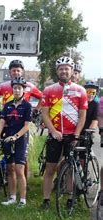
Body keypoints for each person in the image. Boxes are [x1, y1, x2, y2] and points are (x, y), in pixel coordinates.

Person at [40, 56, 88, 210]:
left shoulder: (80, 91)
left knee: (71, 168)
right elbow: (44, 114)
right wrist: (53, 131)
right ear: (57, 71)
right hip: (55, 135)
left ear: (72, 71)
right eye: (61, 68)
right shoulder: (49, 90)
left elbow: (82, 116)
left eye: (67, 68)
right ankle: (46, 201)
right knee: (50, 168)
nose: (64, 71)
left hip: (72, 135)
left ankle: (69, 199)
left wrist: (76, 134)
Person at [0, 77, 32, 208]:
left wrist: (16, 136)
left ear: (23, 90)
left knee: (19, 169)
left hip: (20, 139)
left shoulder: (27, 106)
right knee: (10, 169)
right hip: (7, 138)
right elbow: (3, 122)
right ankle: (12, 197)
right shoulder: (7, 105)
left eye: (19, 88)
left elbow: (27, 126)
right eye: (15, 88)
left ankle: (22, 199)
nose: (16, 90)